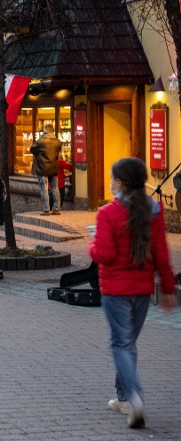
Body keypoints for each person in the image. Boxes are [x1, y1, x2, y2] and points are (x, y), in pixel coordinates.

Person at [88, 157, 176, 428]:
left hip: (116, 290)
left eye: (113, 178)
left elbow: (104, 253)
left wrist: (91, 243)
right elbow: (161, 252)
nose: (111, 182)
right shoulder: (154, 210)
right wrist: (168, 289)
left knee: (121, 344)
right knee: (128, 344)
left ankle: (134, 398)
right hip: (142, 290)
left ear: (120, 182)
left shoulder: (108, 213)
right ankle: (123, 397)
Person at [30, 123, 63, 215]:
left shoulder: (41, 141)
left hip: (42, 168)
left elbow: (32, 149)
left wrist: (41, 137)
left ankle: (46, 208)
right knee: (55, 188)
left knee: (43, 188)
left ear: (45, 130)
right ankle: (57, 208)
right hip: (53, 168)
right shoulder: (58, 141)